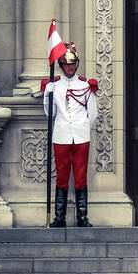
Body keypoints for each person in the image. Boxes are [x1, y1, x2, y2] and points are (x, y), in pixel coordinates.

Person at [39, 43, 98, 227]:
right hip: (61, 134)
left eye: (72, 64)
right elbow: (50, 114)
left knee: (81, 176)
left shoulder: (85, 85)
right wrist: (47, 96)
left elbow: (93, 114)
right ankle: (59, 218)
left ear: (76, 64)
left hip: (80, 135)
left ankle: (82, 218)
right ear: (61, 65)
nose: (70, 67)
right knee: (62, 176)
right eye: (66, 64)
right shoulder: (55, 86)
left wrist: (83, 126)